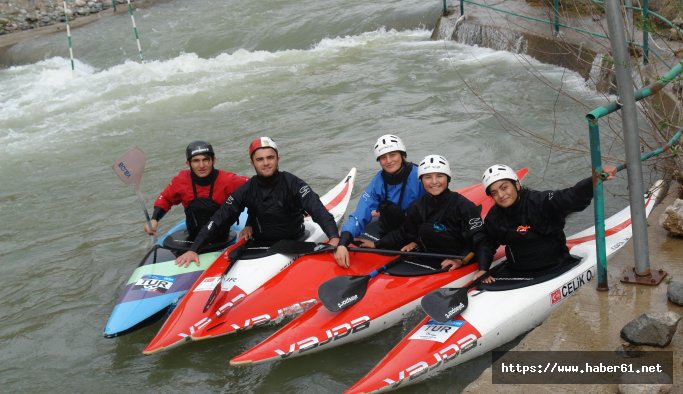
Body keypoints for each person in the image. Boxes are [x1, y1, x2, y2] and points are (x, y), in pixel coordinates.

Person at [175, 136, 341, 267]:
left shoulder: (293, 183)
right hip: (260, 245)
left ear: (278, 158)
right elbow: (219, 218)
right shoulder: (246, 189)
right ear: (252, 162)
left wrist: (333, 237)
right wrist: (193, 249)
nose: (266, 163)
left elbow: (316, 208)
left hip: (295, 241)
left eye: (270, 157)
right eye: (260, 159)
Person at [476, 163, 617, 283]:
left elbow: (571, 196)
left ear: (517, 185)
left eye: (504, 187)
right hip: (518, 272)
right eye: (494, 193)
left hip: (556, 268)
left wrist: (594, 179)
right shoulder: (494, 216)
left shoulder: (540, 201)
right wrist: (483, 268)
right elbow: (487, 242)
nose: (500, 195)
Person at [356, 154, 494, 271]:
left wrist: (473, 265)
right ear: (421, 180)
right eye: (428, 177)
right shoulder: (417, 206)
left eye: (439, 176)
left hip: (459, 258)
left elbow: (480, 241)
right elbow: (405, 232)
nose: (434, 182)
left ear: (448, 178)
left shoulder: (464, 206)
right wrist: (377, 244)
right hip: (432, 254)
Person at [334, 134, 425, 268]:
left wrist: (418, 241)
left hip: (417, 231)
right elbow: (360, 212)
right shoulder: (378, 181)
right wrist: (343, 243)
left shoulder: (420, 177)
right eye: (383, 157)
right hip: (391, 232)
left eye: (393, 155)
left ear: (402, 155)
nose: (388, 161)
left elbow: (434, 212)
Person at [145, 140, 248, 244]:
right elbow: (166, 198)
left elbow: (254, 189)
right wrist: (154, 219)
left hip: (222, 239)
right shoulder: (181, 180)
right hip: (193, 237)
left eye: (206, 160)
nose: (201, 165)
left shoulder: (228, 180)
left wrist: (249, 224)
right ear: (188, 163)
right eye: (196, 161)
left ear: (214, 160)